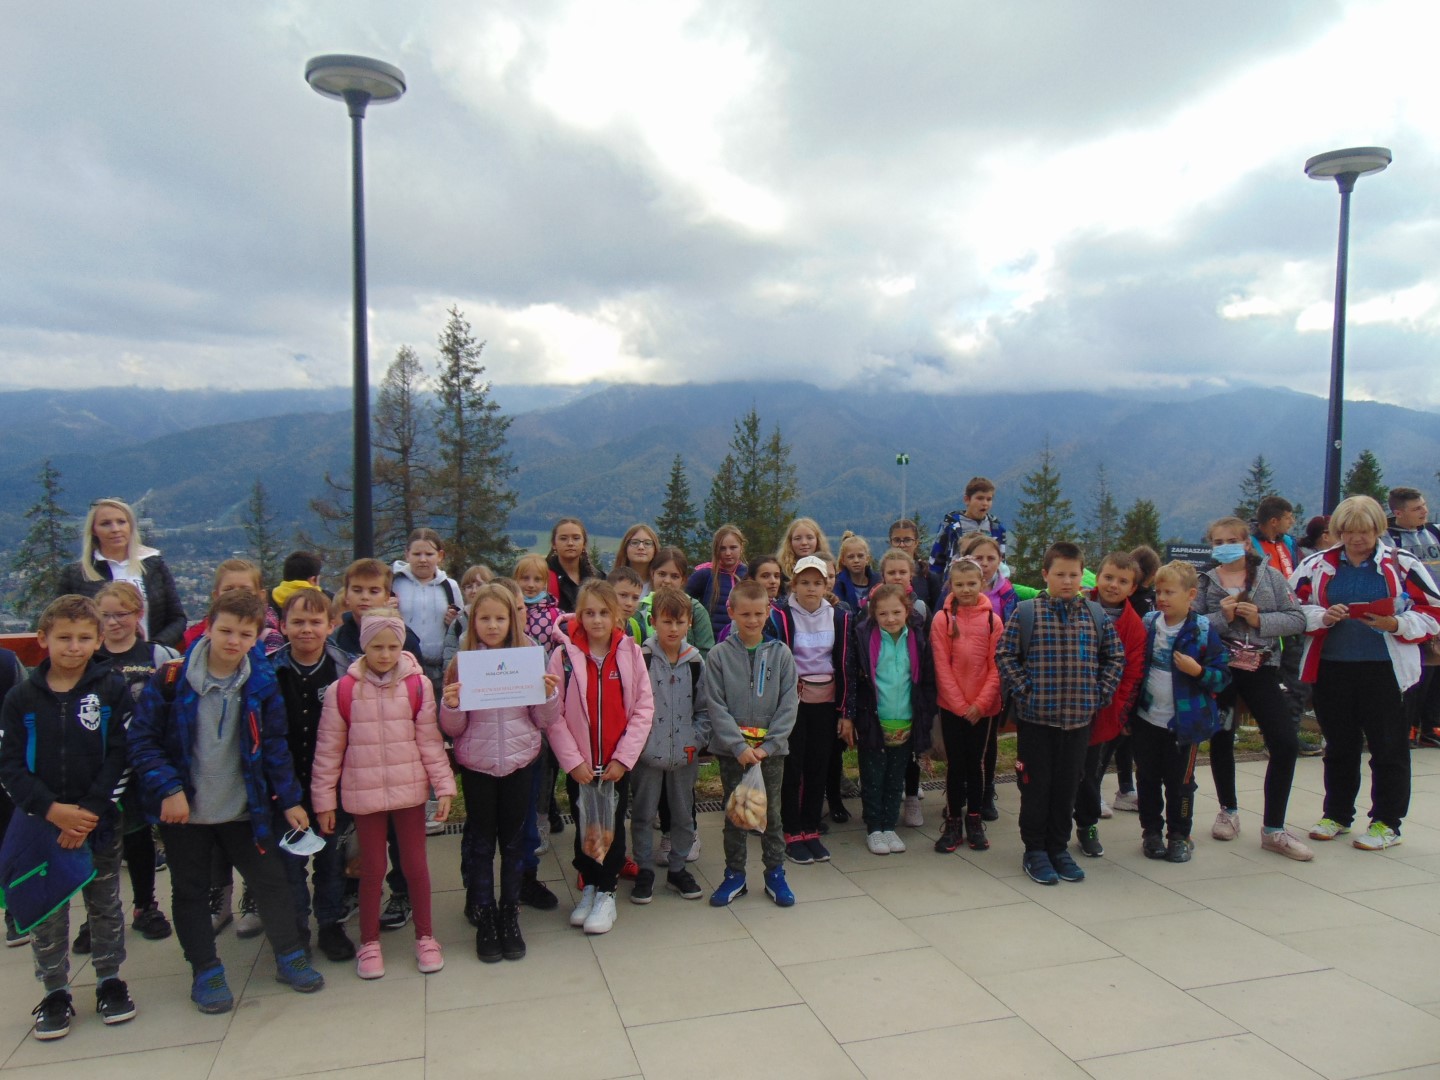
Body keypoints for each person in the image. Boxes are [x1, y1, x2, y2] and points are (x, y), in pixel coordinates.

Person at [128, 590, 325, 1013]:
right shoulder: (171, 679)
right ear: (209, 627)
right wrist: (169, 789)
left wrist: (289, 799)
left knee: (271, 880)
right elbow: (143, 740)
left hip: (244, 808)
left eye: (245, 634)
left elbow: (274, 745)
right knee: (191, 891)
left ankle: (289, 954)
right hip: (185, 812)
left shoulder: (262, 681)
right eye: (226, 631)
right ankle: (206, 969)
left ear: (257, 637)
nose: (234, 641)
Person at [0, 595, 135, 1039]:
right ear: (43, 639)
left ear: (98, 640)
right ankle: (55, 991)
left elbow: (122, 755)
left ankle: (110, 980)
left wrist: (91, 811)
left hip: (99, 821)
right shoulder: (21, 698)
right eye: (64, 637)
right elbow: (10, 766)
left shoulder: (111, 691)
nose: (74, 647)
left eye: (83, 638)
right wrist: (52, 811)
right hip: (42, 823)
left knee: (105, 902)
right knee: (48, 908)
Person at [311, 607, 455, 979]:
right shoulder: (343, 690)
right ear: (364, 646)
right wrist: (324, 800)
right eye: (377, 646)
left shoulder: (417, 685)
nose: (386, 654)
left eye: (393, 646)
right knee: (371, 868)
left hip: (409, 792)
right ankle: (369, 942)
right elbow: (328, 751)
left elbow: (430, 741)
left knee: (415, 866)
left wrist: (444, 786)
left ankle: (426, 936)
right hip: (364, 795)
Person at [1291, 496, 1440, 850]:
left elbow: (1433, 611)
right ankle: (1337, 814)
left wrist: (1395, 623)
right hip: (1332, 668)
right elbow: (1292, 609)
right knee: (1339, 745)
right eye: (1348, 532)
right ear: (1338, 531)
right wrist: (1322, 616)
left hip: (1386, 671)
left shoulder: (1402, 564)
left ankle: (1387, 822)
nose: (1357, 539)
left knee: (1388, 747)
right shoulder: (1315, 565)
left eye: (1365, 531)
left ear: (1379, 529)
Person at [440, 584, 560, 963]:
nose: (492, 625)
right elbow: (454, 728)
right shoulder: (462, 662)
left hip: (520, 762)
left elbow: (542, 720)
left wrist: (548, 695)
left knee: (513, 842)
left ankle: (509, 913)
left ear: (512, 620)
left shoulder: (529, 655)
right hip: (477, 765)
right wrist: (451, 705)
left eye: (500, 618)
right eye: (484, 618)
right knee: (480, 843)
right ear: (473, 620)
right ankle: (484, 913)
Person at [995, 542, 1125, 886]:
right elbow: (1005, 655)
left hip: (1079, 721)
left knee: (1068, 787)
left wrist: (1099, 693)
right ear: (1045, 575)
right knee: (1036, 787)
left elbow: (1115, 657)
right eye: (1060, 574)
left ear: (1082, 576)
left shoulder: (1094, 615)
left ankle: (1058, 847)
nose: (1067, 581)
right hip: (1036, 721)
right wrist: (1026, 691)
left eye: (1073, 575)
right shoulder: (1026, 613)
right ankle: (1035, 849)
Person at [1196, 517, 1312, 860]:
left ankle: (1274, 828)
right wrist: (1223, 617)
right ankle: (1228, 810)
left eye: (1232, 540)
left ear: (1247, 544)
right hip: (1221, 671)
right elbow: (1191, 625)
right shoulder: (1204, 581)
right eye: (1218, 542)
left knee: (1285, 742)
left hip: (1262, 668)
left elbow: (1297, 618)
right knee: (1222, 738)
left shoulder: (1270, 577)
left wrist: (1260, 619)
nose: (1225, 547)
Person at [546, 581, 655, 935]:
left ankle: (607, 892)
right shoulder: (563, 657)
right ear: (579, 615)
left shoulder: (630, 653)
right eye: (589, 613)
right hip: (580, 765)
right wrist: (572, 761)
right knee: (584, 827)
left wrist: (624, 758)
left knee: (611, 829)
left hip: (613, 766)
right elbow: (553, 715)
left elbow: (643, 708)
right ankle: (590, 886)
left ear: (616, 616)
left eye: (604, 613)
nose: (596, 620)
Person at [76, 582, 179, 951]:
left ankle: (145, 905)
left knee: (139, 837)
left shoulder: (158, 655)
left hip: (147, 761)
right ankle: (98, 915)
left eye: (122, 614)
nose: (113, 622)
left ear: (138, 615)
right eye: (105, 615)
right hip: (101, 764)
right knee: (99, 841)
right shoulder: (87, 656)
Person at [327, 558, 424, 932]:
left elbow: (419, 692)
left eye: (374, 591)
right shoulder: (337, 641)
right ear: (346, 594)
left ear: (389, 596)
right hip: (357, 760)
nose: (365, 598)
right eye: (357, 590)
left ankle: (402, 892)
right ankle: (354, 889)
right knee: (354, 837)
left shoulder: (405, 637)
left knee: (401, 840)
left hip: (399, 761)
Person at [271, 587, 357, 962]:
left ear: (331, 625)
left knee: (331, 862)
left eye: (315, 622)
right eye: (298, 622)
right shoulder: (268, 671)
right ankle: (296, 931)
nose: (307, 629)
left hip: (334, 786)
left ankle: (330, 924)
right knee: (289, 866)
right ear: (283, 626)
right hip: (284, 787)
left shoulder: (346, 669)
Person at [704, 579, 799, 908]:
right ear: (731, 612)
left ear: (768, 611)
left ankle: (775, 872)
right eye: (745, 614)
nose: (753, 620)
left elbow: (789, 704)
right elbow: (715, 705)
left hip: (770, 753)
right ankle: (735, 874)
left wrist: (768, 746)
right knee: (736, 814)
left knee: (771, 814)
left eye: (759, 613)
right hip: (734, 753)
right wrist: (738, 747)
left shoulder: (781, 654)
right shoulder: (719, 656)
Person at [1132, 562, 1230, 862]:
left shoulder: (1202, 630)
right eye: (1158, 591)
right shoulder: (1149, 623)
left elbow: (1222, 676)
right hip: (1147, 718)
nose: (1162, 598)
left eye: (1170, 592)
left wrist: (1198, 671)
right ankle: (1151, 831)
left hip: (1185, 724)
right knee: (1147, 778)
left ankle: (1179, 834)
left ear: (1190, 595)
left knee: (1180, 783)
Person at [763, 555, 852, 863]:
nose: (811, 588)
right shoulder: (780, 616)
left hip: (826, 702)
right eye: (804, 582)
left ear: (826, 585)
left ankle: (811, 829)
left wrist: (845, 711)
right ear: (794, 584)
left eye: (817, 582)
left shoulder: (839, 616)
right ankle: (791, 831)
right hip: (793, 704)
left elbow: (844, 663)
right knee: (793, 767)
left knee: (819, 765)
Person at [627, 588, 709, 904]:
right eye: (666, 621)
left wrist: (695, 741)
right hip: (647, 755)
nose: (673, 629)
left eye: (680, 622)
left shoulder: (695, 662)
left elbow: (704, 709)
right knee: (644, 813)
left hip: (685, 754)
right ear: (653, 621)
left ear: (689, 623)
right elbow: (631, 706)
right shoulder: (642, 659)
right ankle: (645, 870)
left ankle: (677, 869)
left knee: (683, 814)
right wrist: (640, 744)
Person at [845, 583, 935, 856]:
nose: (891, 619)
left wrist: (924, 715)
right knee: (873, 777)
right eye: (883, 614)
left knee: (896, 778)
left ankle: (889, 826)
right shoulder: (864, 637)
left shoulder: (916, 638)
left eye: (896, 612)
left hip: (905, 720)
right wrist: (852, 716)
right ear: (874, 614)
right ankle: (874, 828)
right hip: (874, 719)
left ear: (907, 611)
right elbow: (854, 678)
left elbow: (924, 680)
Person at [1072, 552, 1146, 859]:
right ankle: (1052, 823)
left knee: (1090, 772)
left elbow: (1132, 674)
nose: (1114, 585)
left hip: (1104, 709)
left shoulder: (1134, 626)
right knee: (1062, 769)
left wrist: (1118, 711)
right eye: (1109, 577)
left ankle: (1087, 825)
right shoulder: (1076, 605)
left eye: (1123, 581)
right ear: (1097, 578)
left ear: (1132, 588)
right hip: (1067, 701)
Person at [931, 557, 1003, 853]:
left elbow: (996, 666)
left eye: (972, 583)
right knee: (956, 765)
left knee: (976, 764)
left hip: (982, 708)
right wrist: (961, 706)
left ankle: (974, 819)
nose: (966, 589)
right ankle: (952, 821)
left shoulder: (993, 620)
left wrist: (980, 704)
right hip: (952, 707)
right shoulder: (943, 619)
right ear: (951, 585)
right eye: (959, 584)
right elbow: (941, 666)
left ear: (982, 583)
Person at [56, 498, 186, 649]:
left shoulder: (153, 564)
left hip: (153, 657)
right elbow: (62, 623)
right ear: (93, 530)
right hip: (98, 659)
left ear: (131, 526)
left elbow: (177, 618)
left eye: (121, 522)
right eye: (105, 524)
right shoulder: (76, 575)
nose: (115, 529)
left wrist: (155, 647)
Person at [958, 532, 1015, 820]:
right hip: (961, 678)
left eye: (991, 558)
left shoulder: (1007, 593)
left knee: (989, 739)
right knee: (961, 740)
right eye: (978, 557)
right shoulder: (956, 591)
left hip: (993, 675)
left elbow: (1013, 632)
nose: (985, 563)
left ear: (1000, 560)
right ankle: (960, 790)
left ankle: (986, 790)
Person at [1386, 488, 1440, 747]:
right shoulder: (1387, 538)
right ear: (1398, 513)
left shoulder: (1434, 532)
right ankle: (1407, 725)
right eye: (1417, 508)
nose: (1424, 511)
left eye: (1424, 505)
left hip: (1436, 608)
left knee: (1437, 670)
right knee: (1417, 671)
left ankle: (1432, 725)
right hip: (1410, 614)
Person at [390, 528, 462, 697]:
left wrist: (453, 621)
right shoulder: (394, 583)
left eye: (429, 554)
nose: (423, 559)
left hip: (438, 668)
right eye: (417, 554)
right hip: (399, 666)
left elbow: (460, 625)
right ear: (407, 555)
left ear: (440, 556)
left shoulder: (450, 586)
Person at [182, 559, 281, 654]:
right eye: (228, 589)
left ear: (261, 596)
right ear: (216, 596)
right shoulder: (194, 635)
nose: (236, 595)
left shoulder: (269, 637)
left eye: (245, 590)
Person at [930, 477, 1008, 579]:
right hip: (957, 582)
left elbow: (1001, 561)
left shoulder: (997, 528)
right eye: (980, 498)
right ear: (967, 500)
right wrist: (935, 583)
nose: (985, 503)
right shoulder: (950, 526)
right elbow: (936, 558)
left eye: (989, 499)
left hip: (988, 583)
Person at [646, 547, 716, 658]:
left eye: (674, 576)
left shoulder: (696, 610)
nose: (667, 581)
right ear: (652, 573)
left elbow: (706, 652)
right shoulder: (641, 608)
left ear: (683, 580)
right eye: (662, 574)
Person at [687, 525, 747, 640]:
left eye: (733, 547)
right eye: (722, 548)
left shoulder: (748, 575)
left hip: (741, 642)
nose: (728, 553)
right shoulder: (705, 574)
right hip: (710, 642)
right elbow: (684, 601)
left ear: (741, 547)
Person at [441, 564, 495, 673]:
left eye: (479, 585)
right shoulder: (458, 621)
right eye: (469, 586)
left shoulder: (499, 616)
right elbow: (449, 655)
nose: (474, 590)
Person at [546, 517, 600, 613]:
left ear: (584, 544)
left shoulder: (598, 578)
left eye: (576, 538)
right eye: (563, 538)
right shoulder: (542, 577)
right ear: (554, 544)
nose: (570, 543)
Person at [889, 518, 943, 612]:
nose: (902, 545)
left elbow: (936, 612)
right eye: (897, 540)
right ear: (891, 543)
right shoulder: (883, 576)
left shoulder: (929, 578)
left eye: (907, 540)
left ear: (916, 543)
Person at [776, 518, 833, 587]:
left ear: (818, 540)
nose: (804, 543)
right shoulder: (779, 571)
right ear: (790, 542)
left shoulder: (830, 568)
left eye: (809, 538)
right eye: (797, 538)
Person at [878, 547, 929, 622]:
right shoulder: (873, 606)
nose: (897, 577)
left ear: (910, 576)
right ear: (883, 576)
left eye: (902, 572)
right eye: (891, 573)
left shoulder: (920, 608)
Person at [833, 532, 878, 611]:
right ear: (843, 561)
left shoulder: (878, 582)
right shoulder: (838, 584)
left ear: (867, 559)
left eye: (860, 556)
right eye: (851, 557)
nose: (856, 560)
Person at [612, 524, 661, 592]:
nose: (641, 547)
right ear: (625, 549)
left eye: (647, 543)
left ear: (655, 550)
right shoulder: (610, 585)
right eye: (635, 543)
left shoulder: (661, 587)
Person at [608, 566, 649, 645]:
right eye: (623, 595)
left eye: (635, 598)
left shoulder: (637, 630)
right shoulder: (597, 628)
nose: (629, 603)